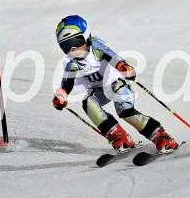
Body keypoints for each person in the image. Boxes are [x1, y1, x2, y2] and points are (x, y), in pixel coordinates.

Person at [52, 15, 179, 153]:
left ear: (86, 36)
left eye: (76, 41)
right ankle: (120, 137)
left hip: (116, 84)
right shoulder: (72, 63)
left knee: (125, 111)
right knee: (89, 104)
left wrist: (123, 67)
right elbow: (67, 83)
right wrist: (61, 96)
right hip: (98, 90)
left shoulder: (96, 47)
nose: (73, 49)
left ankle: (161, 136)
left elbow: (112, 57)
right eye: (66, 46)